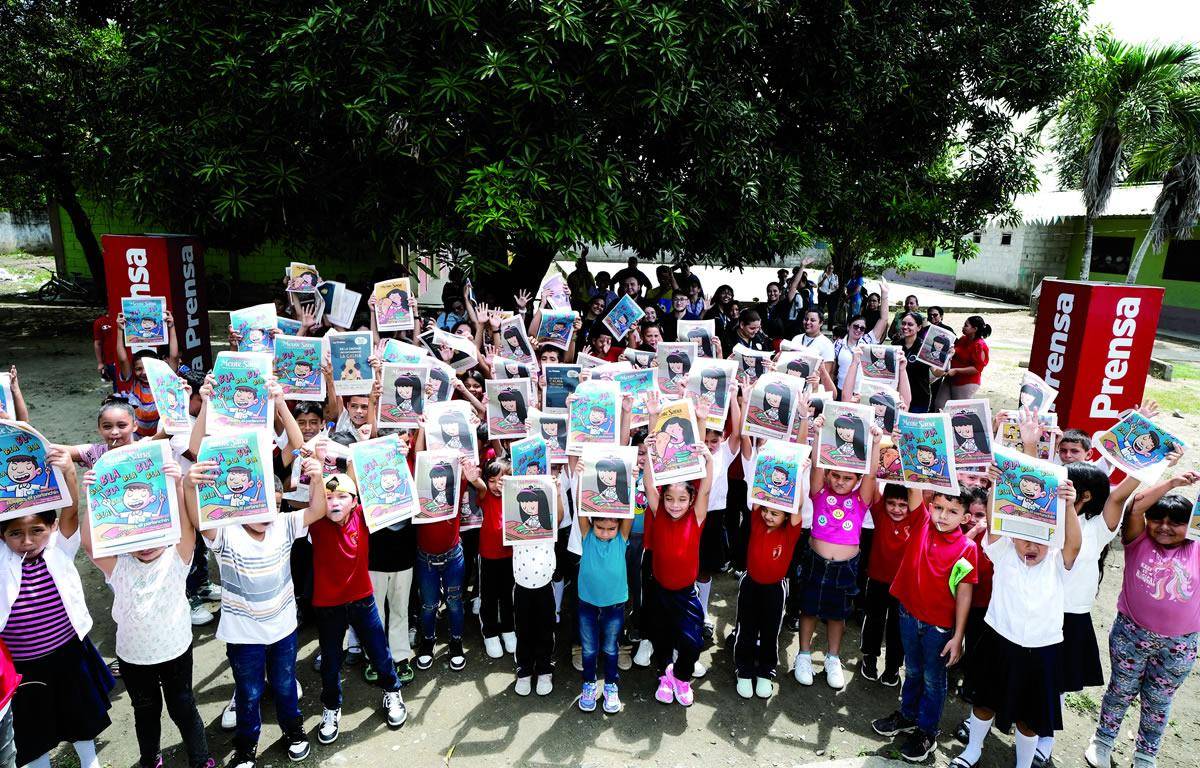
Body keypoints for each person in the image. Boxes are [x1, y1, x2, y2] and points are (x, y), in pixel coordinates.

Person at [185, 457, 329, 768]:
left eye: (275, 506)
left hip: (283, 630)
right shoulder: (226, 533)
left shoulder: (284, 525)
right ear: (245, 503)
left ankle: (293, 731)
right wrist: (188, 486)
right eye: (261, 505)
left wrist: (317, 479)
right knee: (248, 692)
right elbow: (199, 521)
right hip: (243, 636)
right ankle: (246, 747)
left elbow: (317, 510)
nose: (268, 513)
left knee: (285, 684)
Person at [79, 456, 213, 768]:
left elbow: (187, 526)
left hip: (176, 650)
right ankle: (149, 759)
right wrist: (92, 498)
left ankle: (201, 759)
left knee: (183, 707)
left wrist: (176, 487)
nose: (146, 546)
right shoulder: (119, 566)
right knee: (145, 711)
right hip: (133, 655)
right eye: (138, 539)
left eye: (153, 536)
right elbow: (89, 544)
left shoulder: (178, 556)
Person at [952, 474, 1080, 768]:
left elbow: (1074, 545)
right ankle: (973, 750)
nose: (1031, 547)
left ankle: (1023, 764)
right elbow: (995, 526)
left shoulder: (1057, 562)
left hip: (1043, 649)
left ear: (1052, 541)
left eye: (1040, 541)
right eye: (1024, 538)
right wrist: (997, 486)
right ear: (1012, 536)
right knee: (984, 702)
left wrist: (1069, 506)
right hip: (999, 641)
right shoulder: (1004, 553)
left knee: (1030, 717)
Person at [0, 450, 113, 768]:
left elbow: (71, 512)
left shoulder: (59, 547)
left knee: (81, 718)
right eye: (15, 533)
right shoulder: (2, 558)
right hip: (23, 665)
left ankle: (90, 762)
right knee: (32, 731)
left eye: (36, 530)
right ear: (2, 535)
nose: (26, 541)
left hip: (68, 654)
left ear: (51, 526)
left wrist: (69, 474)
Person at [1084, 470, 1200, 768]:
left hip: (1179, 646)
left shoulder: (1196, 549)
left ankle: (1145, 755)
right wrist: (1172, 482)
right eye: (1157, 519)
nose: (1164, 527)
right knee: (1120, 691)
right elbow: (1135, 506)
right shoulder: (1138, 540)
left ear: (1190, 525)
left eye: (1175, 522)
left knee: (1158, 701)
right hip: (1131, 635)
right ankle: (1102, 740)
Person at [871, 487, 978, 762]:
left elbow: (965, 594)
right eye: (938, 507)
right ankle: (908, 716)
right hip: (908, 615)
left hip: (939, 629)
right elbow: (916, 486)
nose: (943, 515)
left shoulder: (967, 548)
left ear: (966, 518)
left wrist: (958, 636)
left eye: (952, 511)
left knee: (933, 679)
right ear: (930, 507)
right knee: (913, 669)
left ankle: (927, 731)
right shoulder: (922, 523)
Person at [309, 471, 408, 743]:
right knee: (330, 660)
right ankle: (331, 707)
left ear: (355, 501)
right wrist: (315, 475)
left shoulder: (364, 517)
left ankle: (392, 691)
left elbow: (389, 494)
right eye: (329, 497)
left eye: (342, 496)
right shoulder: (315, 522)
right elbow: (313, 500)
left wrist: (397, 459)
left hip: (362, 599)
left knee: (379, 651)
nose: (335, 502)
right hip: (328, 605)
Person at [793, 417, 882, 690]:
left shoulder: (860, 500)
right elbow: (817, 466)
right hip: (816, 563)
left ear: (857, 479)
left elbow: (871, 475)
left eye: (847, 478)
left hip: (846, 568)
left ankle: (833, 658)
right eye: (836, 475)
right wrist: (819, 433)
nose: (841, 481)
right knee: (808, 610)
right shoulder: (819, 492)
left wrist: (875, 443)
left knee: (837, 615)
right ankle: (803, 655)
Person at [644, 435, 714, 707]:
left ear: (690, 499)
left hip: (685, 594)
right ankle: (665, 676)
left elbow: (705, 490)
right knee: (661, 639)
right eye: (670, 498)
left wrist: (708, 460)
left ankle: (682, 677)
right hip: (660, 591)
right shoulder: (659, 512)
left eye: (682, 499)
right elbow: (649, 485)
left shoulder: (696, 516)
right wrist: (650, 453)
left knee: (692, 641)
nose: (675, 504)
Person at [734, 499, 804, 700]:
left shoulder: (790, 533)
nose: (768, 516)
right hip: (750, 584)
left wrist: (796, 480)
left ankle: (765, 672)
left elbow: (797, 504)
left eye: (775, 513)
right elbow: (758, 495)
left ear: (786, 516)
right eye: (766, 510)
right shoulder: (757, 521)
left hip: (774, 590)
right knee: (746, 629)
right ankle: (744, 670)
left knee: (770, 632)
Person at [576, 511, 633, 713]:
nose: (605, 533)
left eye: (611, 529)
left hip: (614, 605)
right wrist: (583, 490)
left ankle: (610, 685)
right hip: (587, 604)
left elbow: (629, 513)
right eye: (600, 528)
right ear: (592, 523)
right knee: (589, 649)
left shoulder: (621, 539)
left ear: (619, 526)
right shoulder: (587, 536)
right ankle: (589, 683)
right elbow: (581, 508)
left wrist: (628, 493)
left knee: (610, 648)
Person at [858, 483, 914, 688]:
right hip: (877, 579)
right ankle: (869, 657)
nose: (896, 509)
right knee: (874, 620)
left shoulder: (917, 518)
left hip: (904, 585)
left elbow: (922, 491)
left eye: (902, 505)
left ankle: (893, 667)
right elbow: (871, 481)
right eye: (892, 503)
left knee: (898, 627)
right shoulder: (879, 512)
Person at [473, 459, 516, 657]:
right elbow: (480, 487)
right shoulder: (485, 495)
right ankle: (489, 633)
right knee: (489, 596)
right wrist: (475, 480)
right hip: (488, 555)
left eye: (502, 480)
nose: (497, 485)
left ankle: (508, 629)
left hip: (511, 555)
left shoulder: (515, 496)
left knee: (508, 595)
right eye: (492, 480)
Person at [931, 315, 992, 410]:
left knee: (958, 411)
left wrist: (956, 371)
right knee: (940, 406)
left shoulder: (979, 345)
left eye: (966, 325)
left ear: (974, 329)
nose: (963, 327)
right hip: (950, 378)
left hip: (966, 382)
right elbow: (954, 351)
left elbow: (977, 369)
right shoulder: (963, 339)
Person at [790, 309, 837, 393]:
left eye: (812, 320)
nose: (808, 322)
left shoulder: (827, 344)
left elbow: (826, 374)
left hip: (811, 389)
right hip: (792, 384)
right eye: (806, 319)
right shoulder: (796, 338)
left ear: (821, 323)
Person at [895, 312, 932, 413]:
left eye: (910, 324)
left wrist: (947, 358)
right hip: (899, 398)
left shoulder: (924, 348)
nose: (905, 327)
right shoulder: (896, 346)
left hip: (919, 399)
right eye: (903, 323)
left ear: (919, 328)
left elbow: (937, 373)